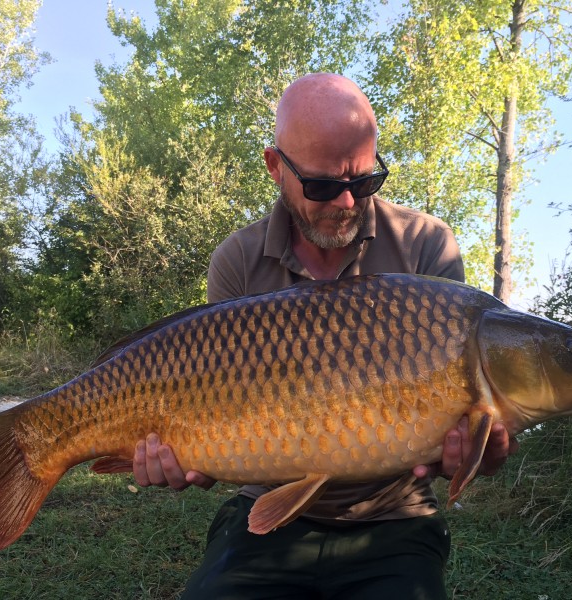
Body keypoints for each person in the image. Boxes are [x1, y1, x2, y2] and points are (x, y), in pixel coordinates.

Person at [132, 73, 516, 599]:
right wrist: (180, 457)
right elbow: (209, 407)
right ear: (276, 168)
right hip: (266, 512)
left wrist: (483, 448)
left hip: (394, 518)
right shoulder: (238, 260)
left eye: (363, 182)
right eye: (321, 186)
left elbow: (475, 438)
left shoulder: (427, 246)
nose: (345, 203)